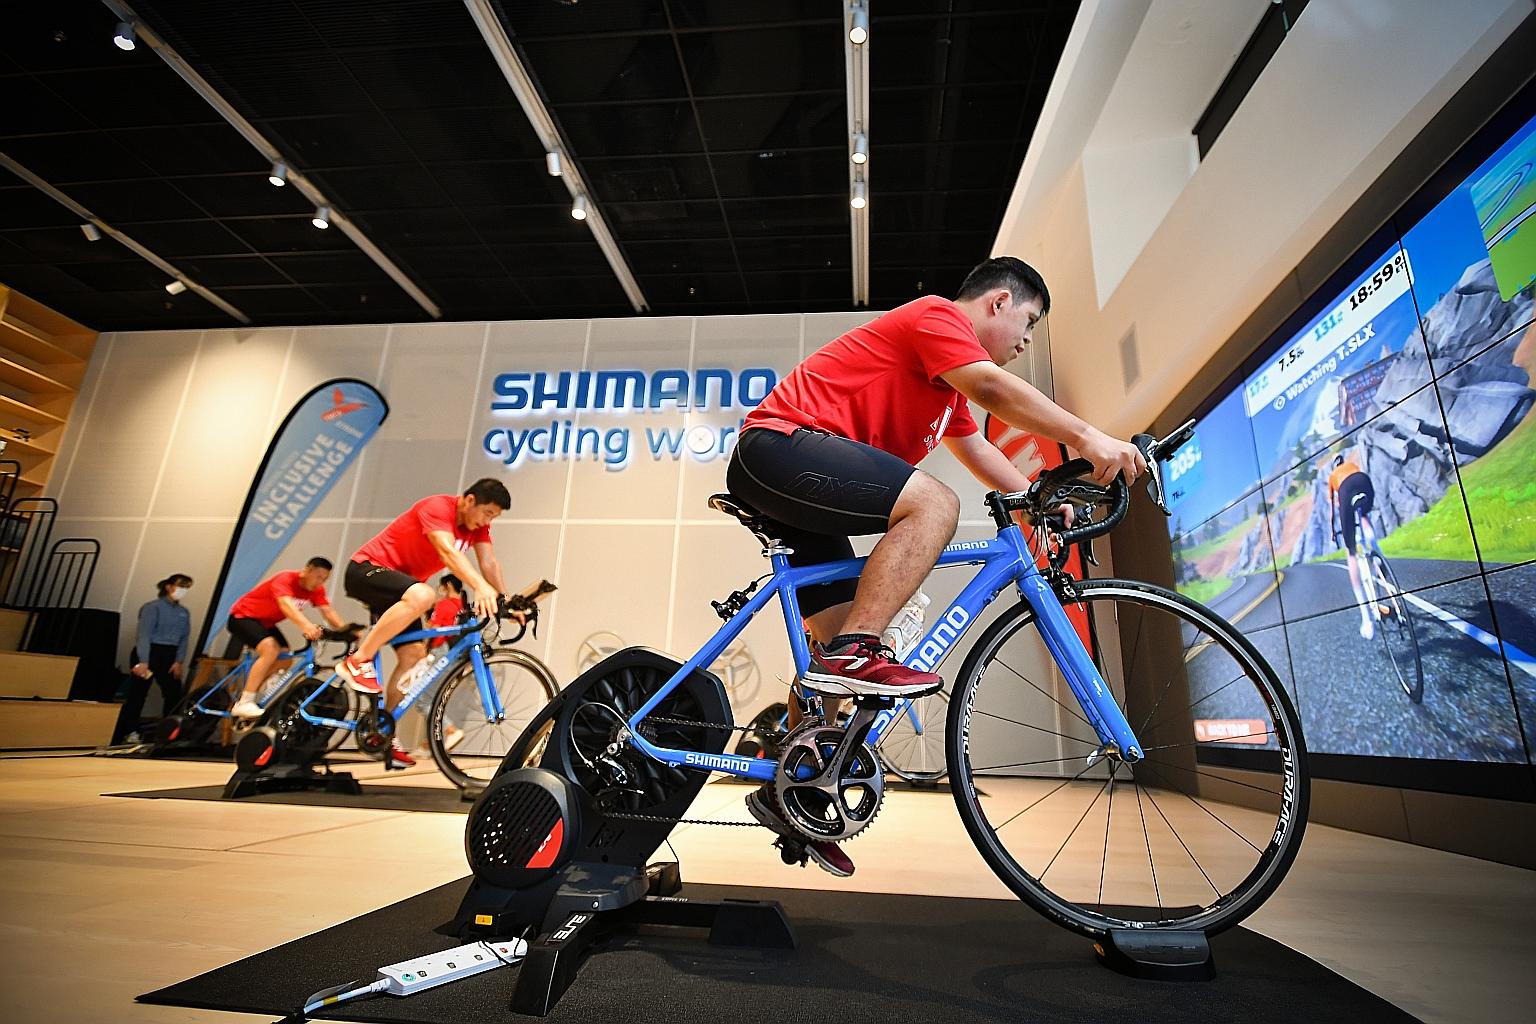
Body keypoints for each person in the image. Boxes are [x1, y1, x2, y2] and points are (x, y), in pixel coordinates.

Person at [724, 256, 1144, 876]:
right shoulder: (936, 318)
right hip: (778, 451)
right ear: (997, 303)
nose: (1026, 343)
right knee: (933, 506)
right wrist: (1090, 439)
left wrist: (1038, 506)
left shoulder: (950, 395)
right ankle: (857, 651)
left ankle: (801, 784)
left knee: (837, 640)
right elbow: (997, 391)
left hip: (804, 486)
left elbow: (978, 451)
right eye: (1027, 324)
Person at [337, 479, 522, 768]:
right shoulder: (437, 507)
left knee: (413, 658)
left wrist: (506, 600)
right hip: (367, 570)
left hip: (400, 591)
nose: (488, 521)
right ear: (469, 500)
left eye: (494, 517)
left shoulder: (478, 527)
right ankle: (357, 660)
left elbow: (489, 563)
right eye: (487, 513)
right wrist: (480, 587)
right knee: (424, 594)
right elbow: (448, 552)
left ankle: (383, 732)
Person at [226, 557, 350, 718]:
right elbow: (287, 606)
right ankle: (244, 702)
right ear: (307, 570)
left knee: (285, 658)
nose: (320, 582)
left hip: (266, 623)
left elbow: (328, 612)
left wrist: (347, 631)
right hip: (242, 617)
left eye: (325, 579)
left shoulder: (316, 590)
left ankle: (252, 691)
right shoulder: (285, 579)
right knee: (270, 649)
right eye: (318, 577)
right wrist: (306, 625)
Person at [114, 574, 193, 744]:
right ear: (168, 586)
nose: (183, 590)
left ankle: (169, 733)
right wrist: (143, 661)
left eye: (187, 587)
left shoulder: (183, 613)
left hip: (170, 656)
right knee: (138, 693)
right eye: (180, 586)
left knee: (174, 694)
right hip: (150, 652)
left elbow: (184, 638)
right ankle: (130, 731)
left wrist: (179, 661)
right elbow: (144, 635)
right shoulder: (152, 608)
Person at [1328, 451, 1380, 640]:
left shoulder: (1333, 476)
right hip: (1363, 480)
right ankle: (1376, 551)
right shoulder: (1352, 465)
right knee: (1363, 514)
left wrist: (1334, 531)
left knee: (1351, 553)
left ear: (1333, 465)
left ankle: (1367, 619)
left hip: (1345, 489)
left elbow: (1333, 506)